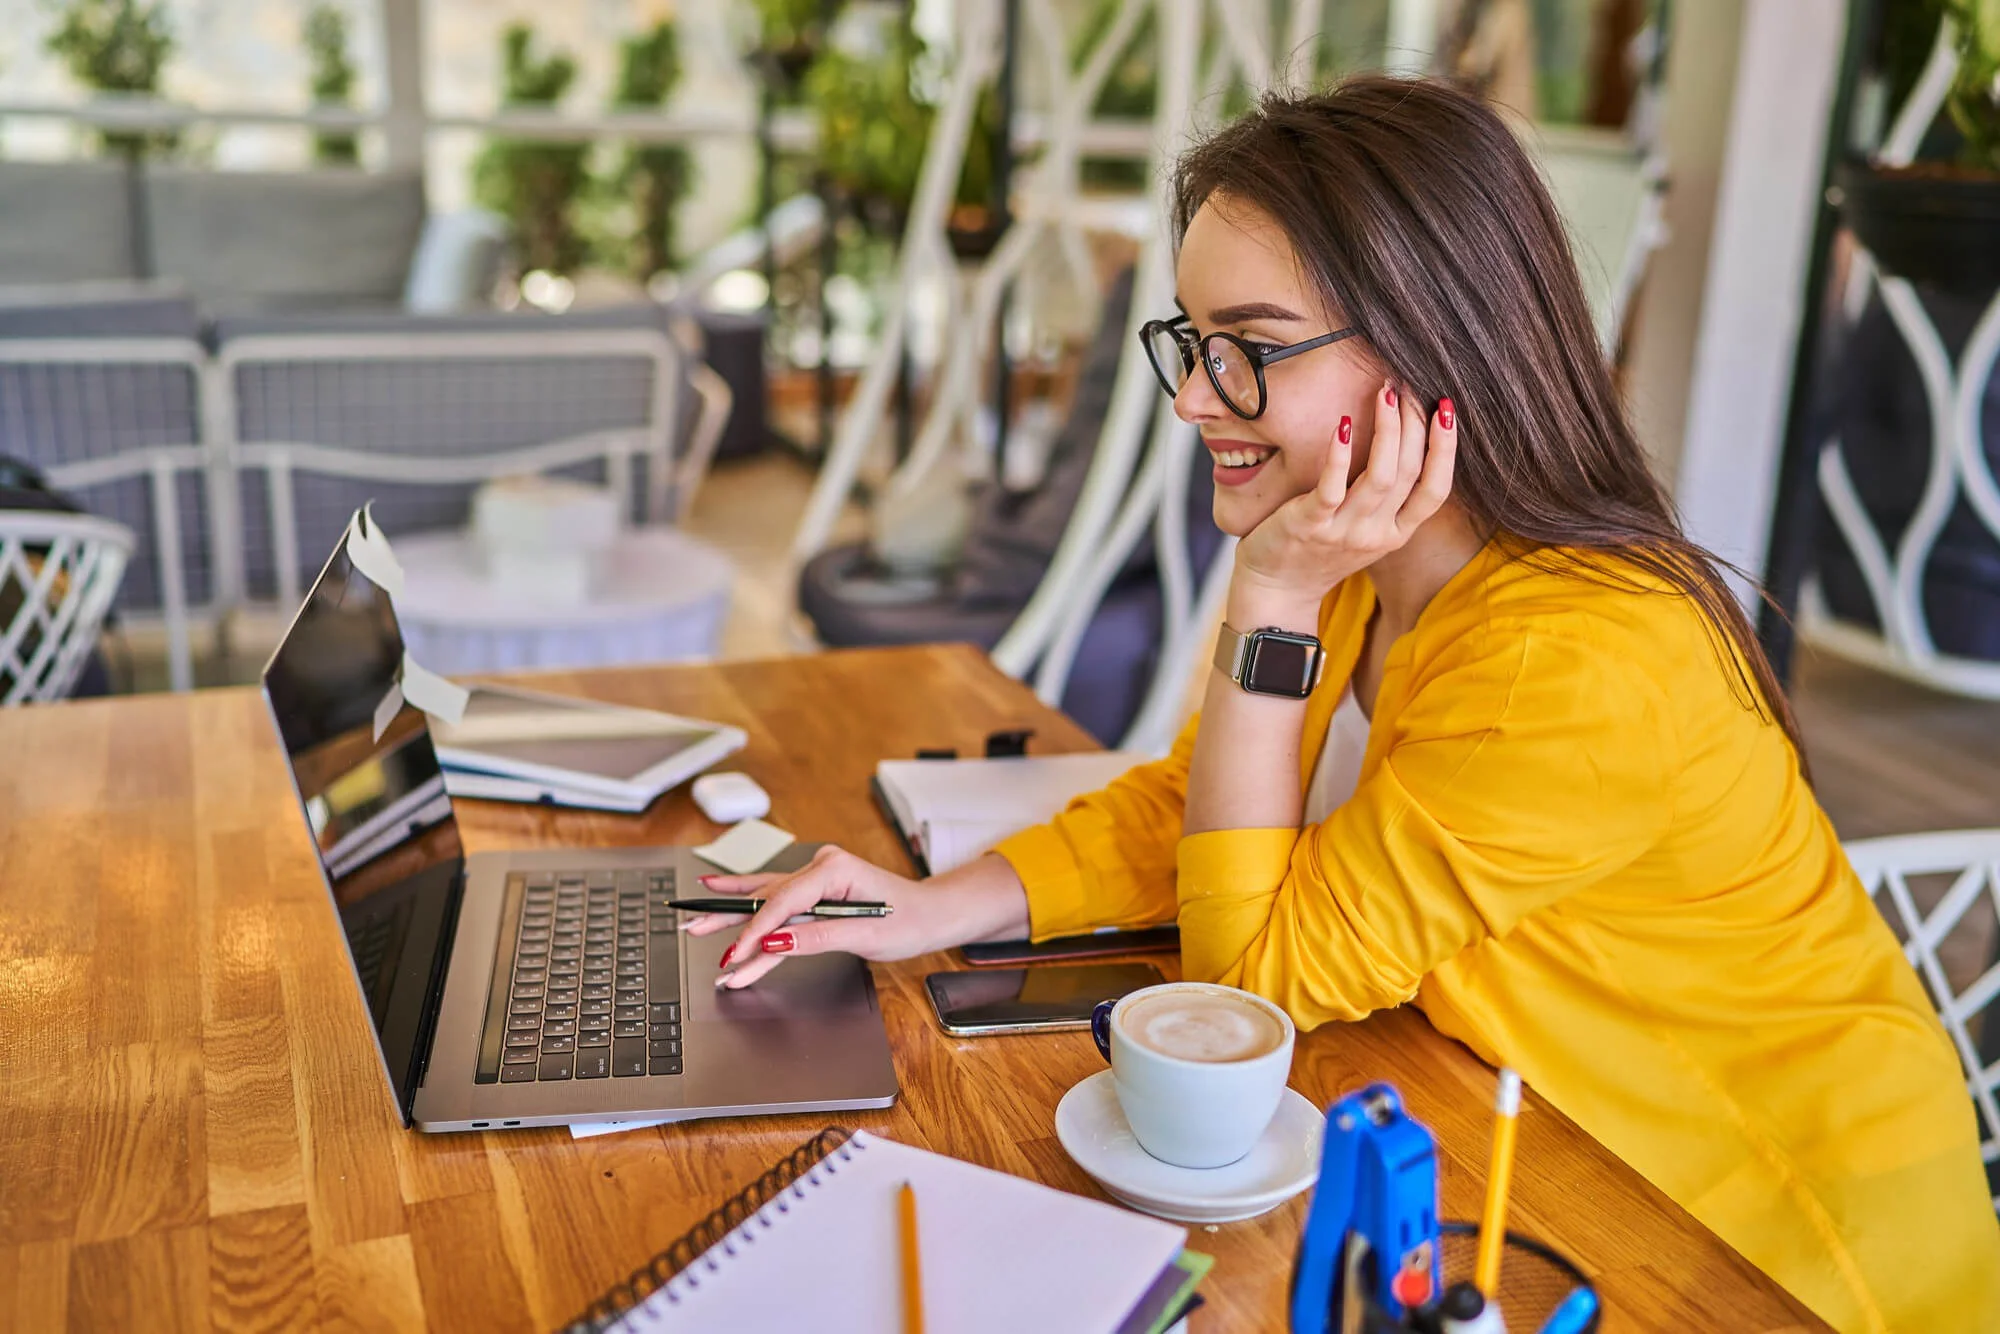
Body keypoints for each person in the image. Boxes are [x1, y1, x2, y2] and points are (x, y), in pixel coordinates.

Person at [685, 77, 2000, 1330]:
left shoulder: (1568, 658)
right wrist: (925, 910)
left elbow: (1244, 984)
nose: (1199, 397)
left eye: (1250, 349)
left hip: (1783, 1253)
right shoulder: (1365, 563)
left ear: (1437, 351)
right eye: (1195, 344)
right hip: (1543, 1165)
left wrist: (1268, 604)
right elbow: (1199, 808)